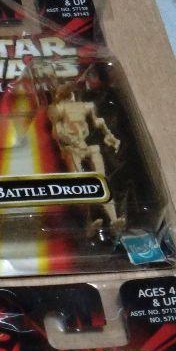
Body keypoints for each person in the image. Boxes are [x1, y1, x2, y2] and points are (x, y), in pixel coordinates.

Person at [47, 82, 122, 239]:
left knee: (101, 180)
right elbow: (56, 132)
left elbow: (98, 122)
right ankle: (88, 222)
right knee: (81, 184)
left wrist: (110, 136)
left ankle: (114, 220)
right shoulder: (58, 109)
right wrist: (68, 141)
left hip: (85, 145)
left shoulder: (85, 106)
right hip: (71, 148)